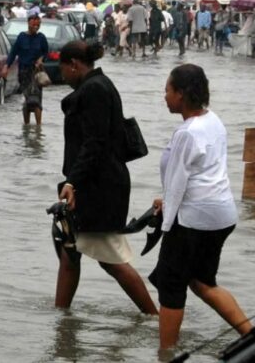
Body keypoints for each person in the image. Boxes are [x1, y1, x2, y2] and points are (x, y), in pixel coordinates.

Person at [150, 64, 253, 350]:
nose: (164, 96)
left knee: (171, 286)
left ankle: (165, 355)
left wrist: (166, 222)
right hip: (220, 213)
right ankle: (250, 336)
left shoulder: (187, 132)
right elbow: (202, 172)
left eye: (167, 90)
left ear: (181, 95)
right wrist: (167, 199)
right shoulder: (213, 120)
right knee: (201, 281)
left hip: (193, 220)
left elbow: (180, 179)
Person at [55, 40, 158, 315]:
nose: (62, 75)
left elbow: (95, 143)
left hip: (97, 187)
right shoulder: (97, 85)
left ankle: (154, 318)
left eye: (63, 69)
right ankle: (61, 320)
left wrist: (72, 182)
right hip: (92, 182)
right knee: (69, 251)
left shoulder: (94, 90)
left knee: (110, 259)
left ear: (74, 65)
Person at [2, 14, 48, 126]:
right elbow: (13, 53)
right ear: (28, 23)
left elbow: (46, 53)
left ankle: (38, 127)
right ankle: (26, 125)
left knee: (36, 100)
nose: (36, 27)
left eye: (38, 25)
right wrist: (6, 66)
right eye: (34, 24)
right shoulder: (21, 37)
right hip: (23, 73)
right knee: (28, 99)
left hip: (36, 73)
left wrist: (41, 59)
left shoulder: (41, 38)